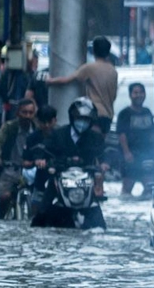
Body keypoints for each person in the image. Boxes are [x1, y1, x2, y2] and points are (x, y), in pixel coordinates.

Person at [31, 97, 107, 227]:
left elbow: (103, 155)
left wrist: (105, 165)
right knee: (42, 212)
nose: (82, 123)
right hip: (60, 178)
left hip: (86, 181)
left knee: (98, 219)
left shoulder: (96, 138)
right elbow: (45, 149)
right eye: (79, 119)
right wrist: (42, 160)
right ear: (72, 118)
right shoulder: (58, 134)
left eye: (86, 120)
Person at [46, 36, 117, 135]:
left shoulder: (90, 68)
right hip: (108, 114)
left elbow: (67, 80)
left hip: (95, 113)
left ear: (94, 50)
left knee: (92, 143)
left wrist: (50, 81)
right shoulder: (112, 70)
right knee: (101, 144)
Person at [0, 98, 37, 219]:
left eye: (30, 113)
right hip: (9, 169)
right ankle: (1, 218)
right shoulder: (9, 127)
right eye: (24, 112)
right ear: (18, 113)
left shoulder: (38, 129)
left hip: (32, 170)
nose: (27, 116)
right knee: (5, 197)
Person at [116, 82, 154, 198]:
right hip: (130, 154)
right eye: (135, 93)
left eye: (141, 92)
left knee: (149, 188)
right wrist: (126, 153)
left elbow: (152, 133)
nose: (139, 95)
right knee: (127, 190)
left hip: (146, 154)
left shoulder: (147, 112)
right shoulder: (124, 114)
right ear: (130, 95)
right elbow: (122, 134)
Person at [24, 104, 57, 214]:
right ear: (38, 121)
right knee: (36, 209)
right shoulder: (32, 138)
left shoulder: (62, 135)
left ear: (55, 120)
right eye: (43, 122)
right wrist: (35, 162)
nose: (47, 125)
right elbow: (26, 159)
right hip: (40, 176)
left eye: (49, 122)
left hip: (59, 175)